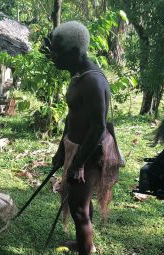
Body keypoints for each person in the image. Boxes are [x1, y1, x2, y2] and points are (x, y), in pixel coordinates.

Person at [48, 21, 120, 255]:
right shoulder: (78, 74)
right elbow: (73, 116)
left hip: (90, 152)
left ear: (75, 53)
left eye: (58, 52)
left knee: (78, 207)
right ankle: (83, 244)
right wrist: (62, 150)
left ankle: (85, 250)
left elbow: (98, 127)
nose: (53, 57)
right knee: (81, 203)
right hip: (76, 148)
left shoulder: (92, 81)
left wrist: (78, 163)